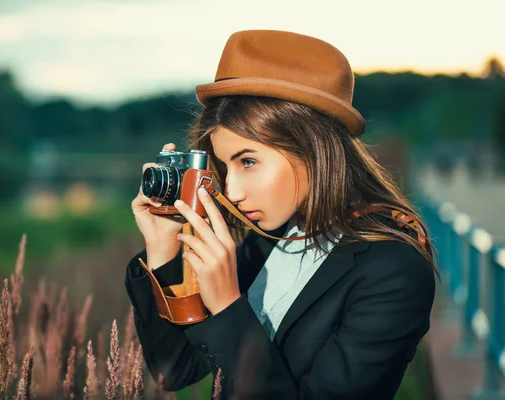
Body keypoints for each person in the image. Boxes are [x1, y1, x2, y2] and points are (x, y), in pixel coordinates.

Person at [124, 30, 437, 399]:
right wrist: (163, 253)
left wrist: (227, 306)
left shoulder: (393, 271)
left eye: (249, 161)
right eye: (226, 167)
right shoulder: (268, 241)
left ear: (313, 148)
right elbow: (174, 370)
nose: (234, 192)